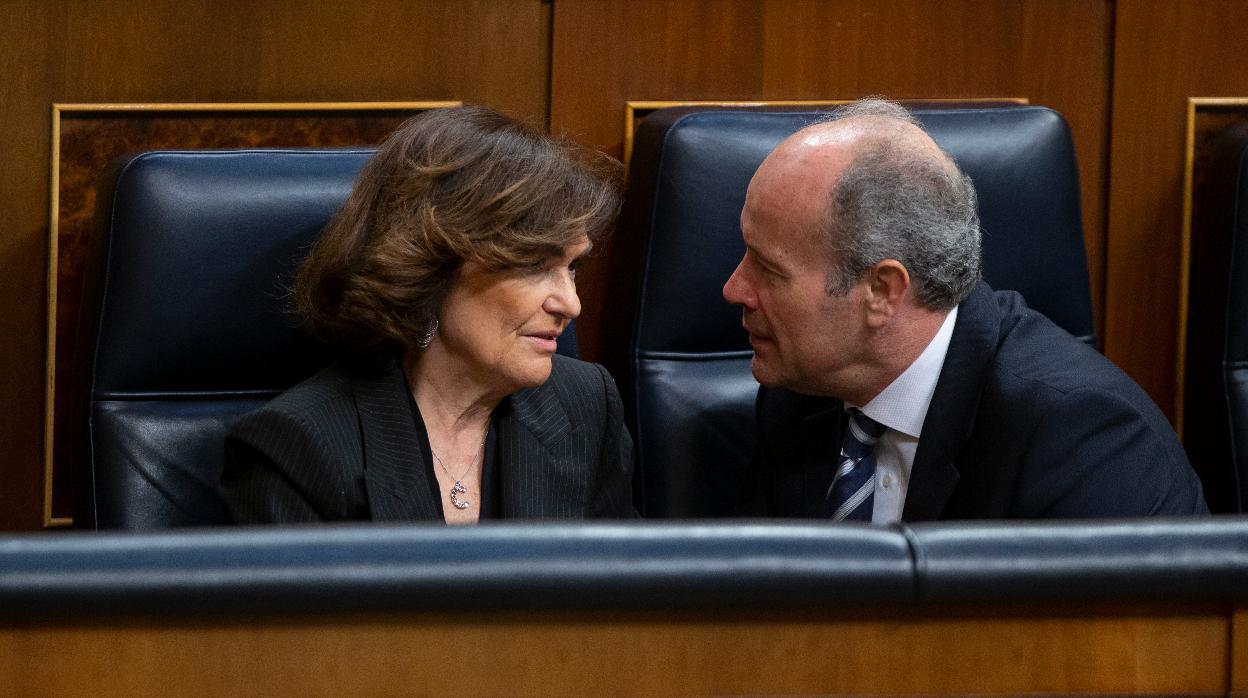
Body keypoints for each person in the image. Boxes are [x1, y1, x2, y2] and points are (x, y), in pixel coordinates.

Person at [722, 98, 1207, 522]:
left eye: (768, 268)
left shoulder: (1083, 440)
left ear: (882, 291)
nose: (733, 289)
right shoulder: (802, 392)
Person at [221, 105, 635, 524]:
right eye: (534, 265)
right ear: (431, 268)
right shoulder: (297, 449)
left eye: (572, 267)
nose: (571, 303)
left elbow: (626, 587)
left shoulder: (586, 406)